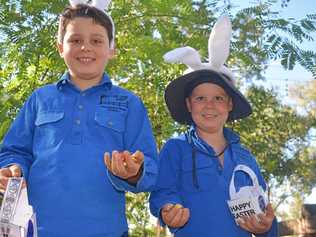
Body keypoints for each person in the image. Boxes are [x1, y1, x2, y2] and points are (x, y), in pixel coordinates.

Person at [0, 1, 158, 236]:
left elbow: (151, 168)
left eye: (96, 40)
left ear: (111, 49)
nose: (85, 47)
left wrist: (134, 172)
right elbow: (13, 150)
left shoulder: (129, 103)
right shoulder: (40, 98)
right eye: (75, 40)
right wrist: (12, 169)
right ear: (60, 47)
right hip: (38, 229)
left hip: (107, 231)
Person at [149, 16, 278, 237]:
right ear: (189, 104)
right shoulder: (175, 148)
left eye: (218, 98)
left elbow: (264, 208)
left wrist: (267, 228)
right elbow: (162, 192)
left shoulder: (246, 157)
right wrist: (167, 209)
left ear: (229, 104)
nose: (209, 105)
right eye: (200, 98)